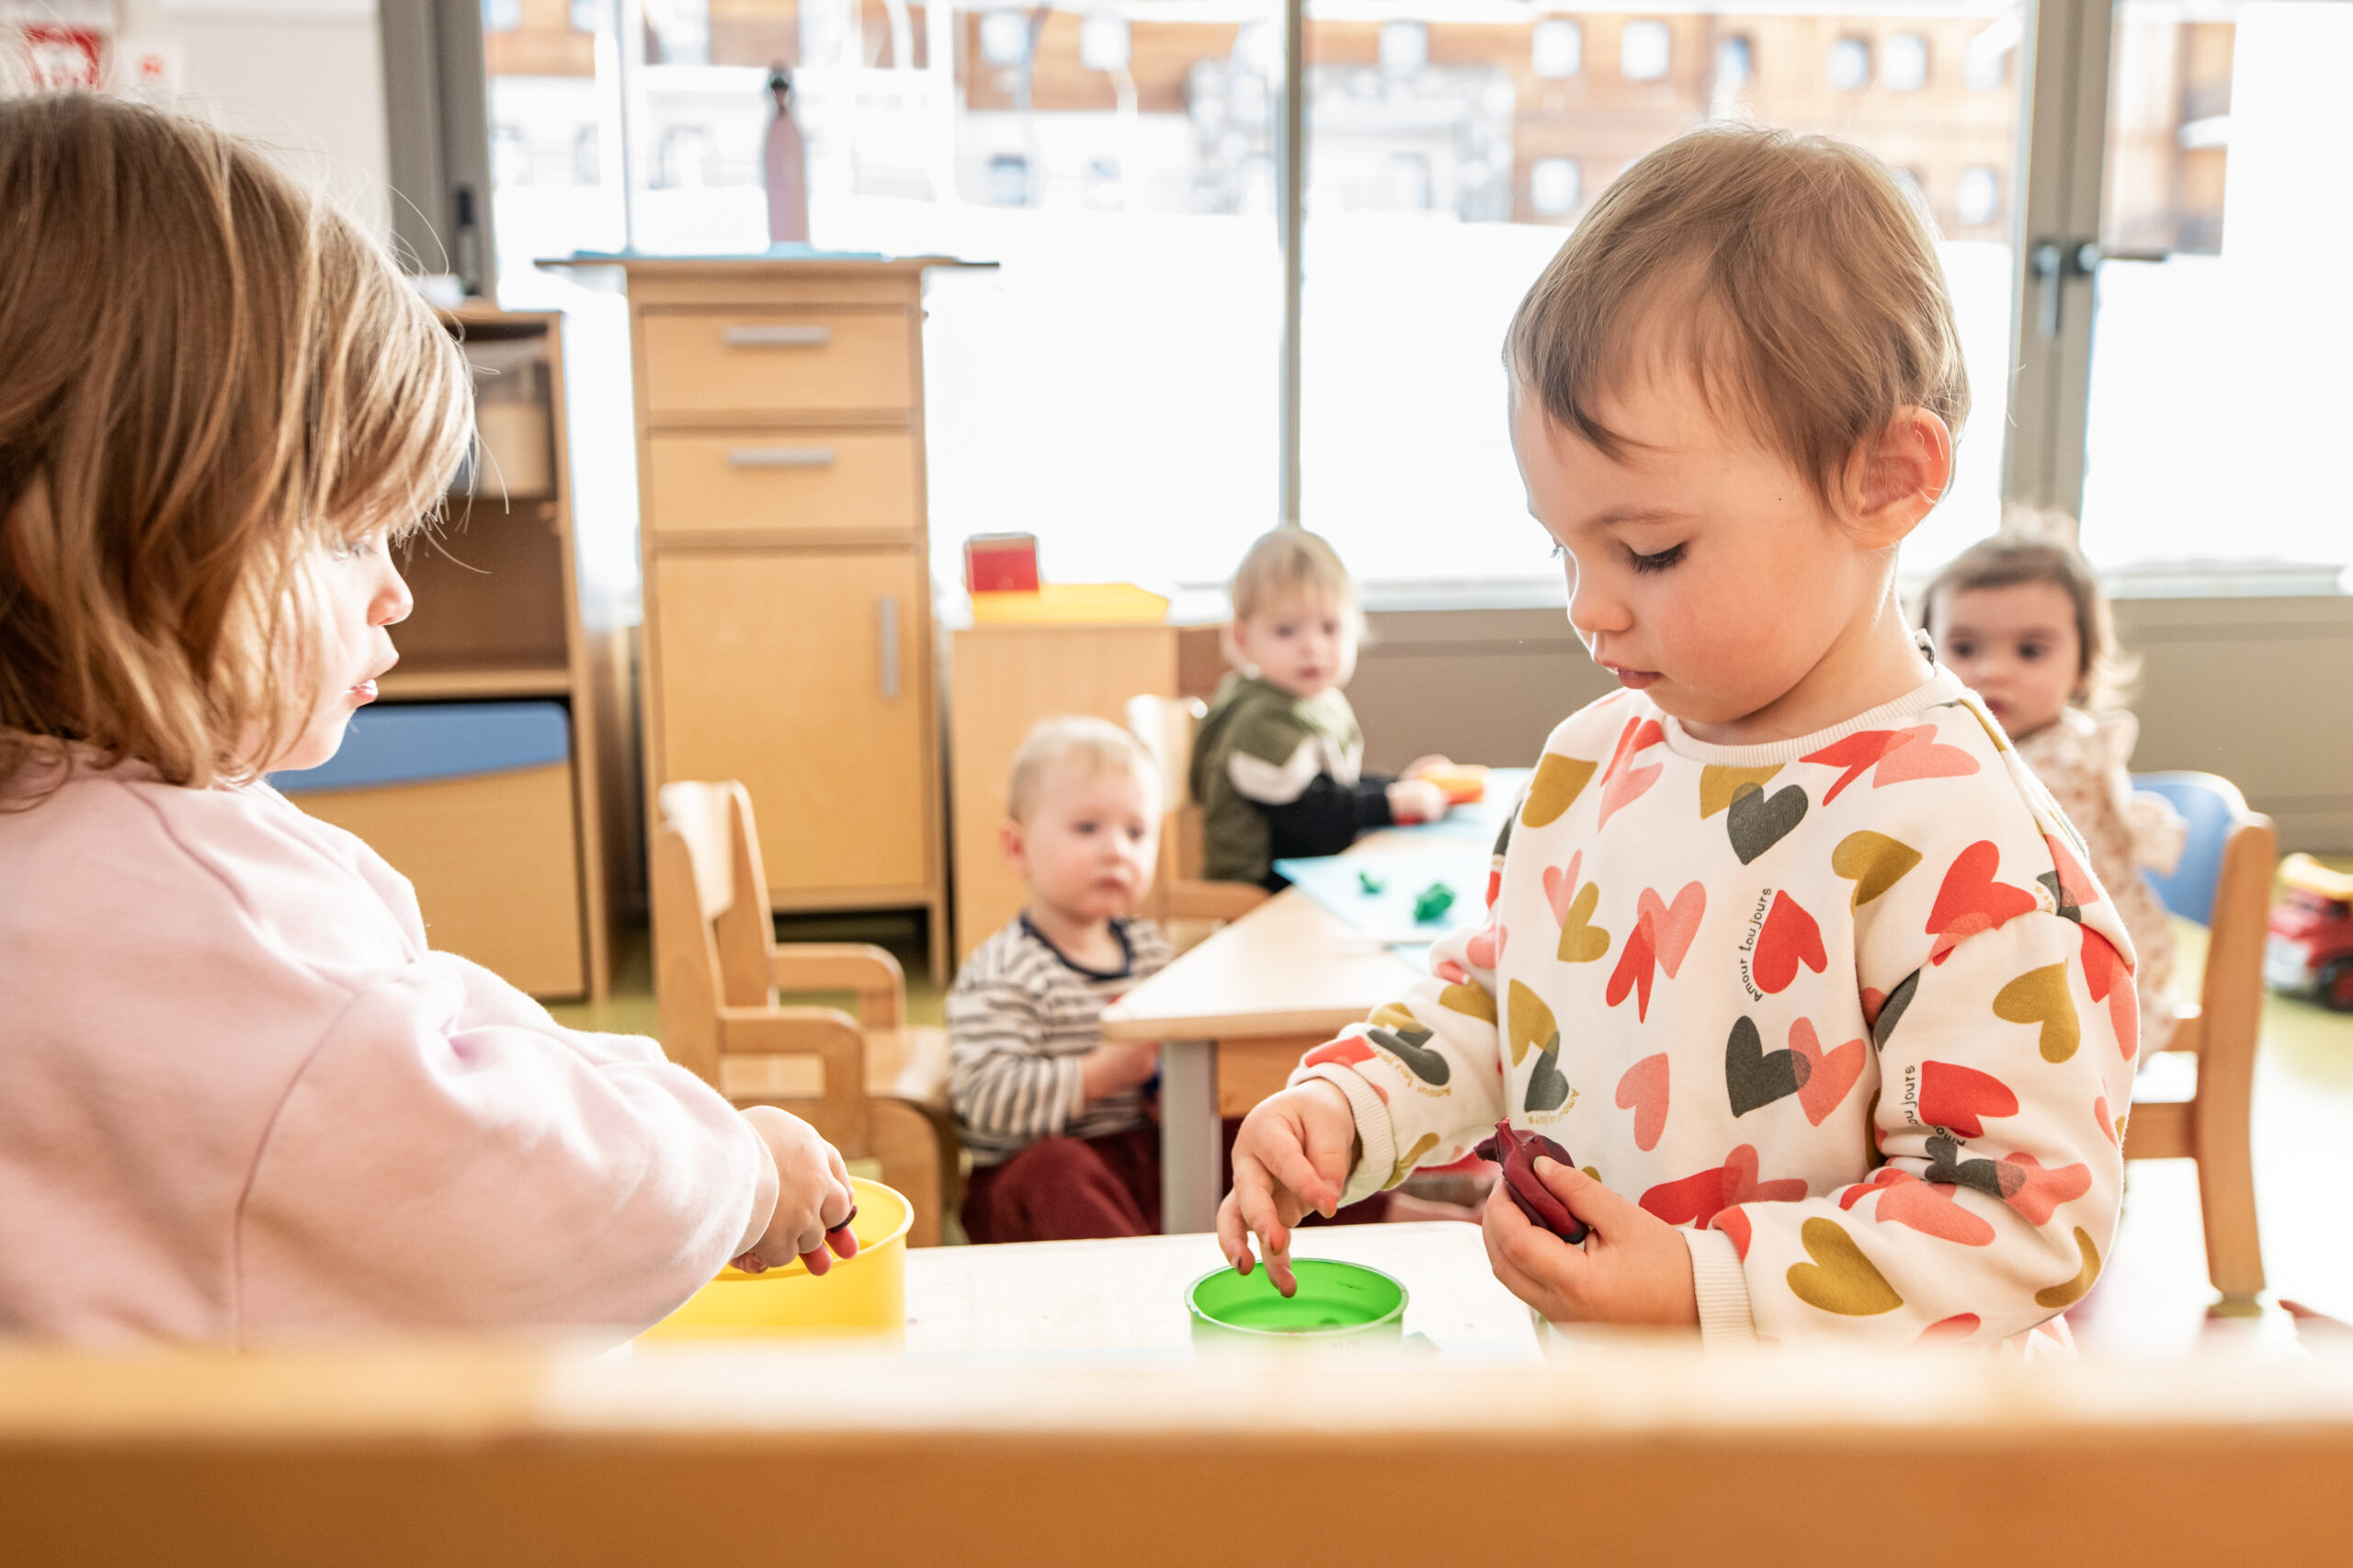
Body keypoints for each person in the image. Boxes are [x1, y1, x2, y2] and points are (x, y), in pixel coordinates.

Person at [1217, 126, 2140, 1352]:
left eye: (1648, 550)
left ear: (1885, 480)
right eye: (1564, 545)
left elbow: (2023, 1213)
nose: (1587, 604)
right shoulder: (1594, 762)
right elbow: (1500, 1003)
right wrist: (1352, 1101)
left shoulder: (1965, 841)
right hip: (1639, 1445)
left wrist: (1707, 1283)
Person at [0, 95, 854, 1344]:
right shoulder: (197, 904)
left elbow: (444, 1035)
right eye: (346, 530)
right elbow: (511, 1188)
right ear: (102, 535)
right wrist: (740, 1173)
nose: (397, 588)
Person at [1921, 525, 2184, 1054]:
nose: (1993, 671)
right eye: (1965, 646)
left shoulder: (2066, 761)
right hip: (2011, 965)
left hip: (2087, 998)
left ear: (2083, 665)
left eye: (2030, 650)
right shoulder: (1951, 738)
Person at [949, 717, 1179, 1242]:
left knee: (1247, 1131)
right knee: (1058, 1170)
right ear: (1017, 848)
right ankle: (1138, 1284)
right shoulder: (1006, 971)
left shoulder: (1151, 953)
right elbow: (983, 1100)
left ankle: (1368, 1225)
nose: (1117, 850)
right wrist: (1103, 1073)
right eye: (1087, 828)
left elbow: (1177, 1058)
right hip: (1034, 1182)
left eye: (1136, 832)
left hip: (1140, 1163)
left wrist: (1173, 1089)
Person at [1192, 528, 1450, 891]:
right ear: (1242, 640)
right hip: (1262, 886)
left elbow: (1335, 788)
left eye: (1329, 627)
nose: (1312, 646)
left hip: (1310, 872)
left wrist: (1400, 783)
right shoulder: (1259, 720)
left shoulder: (1318, 702)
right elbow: (1312, 814)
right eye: (1286, 630)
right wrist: (1391, 802)